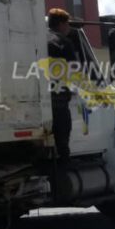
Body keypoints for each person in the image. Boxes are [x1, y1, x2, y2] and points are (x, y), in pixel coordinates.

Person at [47, 8, 77, 162]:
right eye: (68, 24)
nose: (69, 28)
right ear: (60, 24)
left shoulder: (39, 38)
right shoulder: (64, 43)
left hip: (39, 101)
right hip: (58, 102)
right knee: (62, 144)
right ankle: (63, 180)